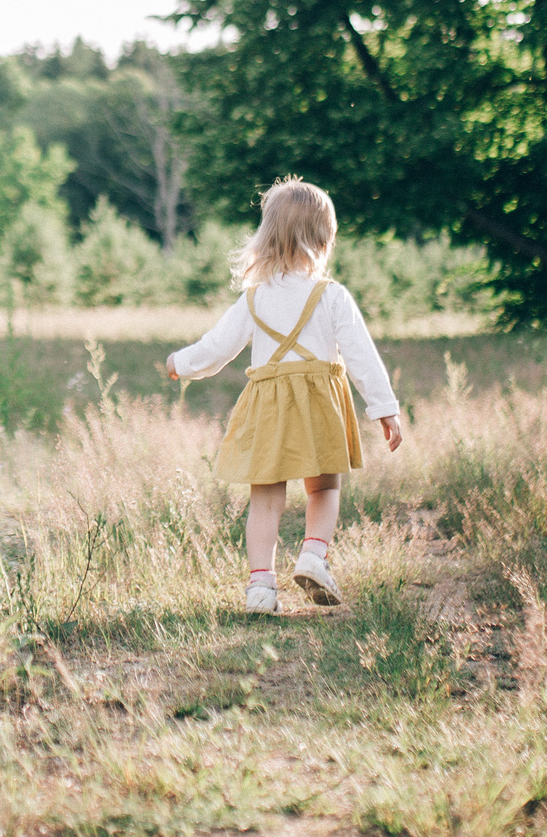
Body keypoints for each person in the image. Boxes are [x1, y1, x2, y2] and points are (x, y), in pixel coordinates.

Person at [161, 178, 404, 612]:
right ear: (324, 240)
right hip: (319, 404)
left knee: (266, 497)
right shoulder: (332, 296)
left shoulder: (254, 298)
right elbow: (362, 356)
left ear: (268, 236)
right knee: (324, 487)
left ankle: (260, 588)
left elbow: (217, 348)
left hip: (268, 405)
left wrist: (181, 363)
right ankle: (313, 555)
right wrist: (384, 409)